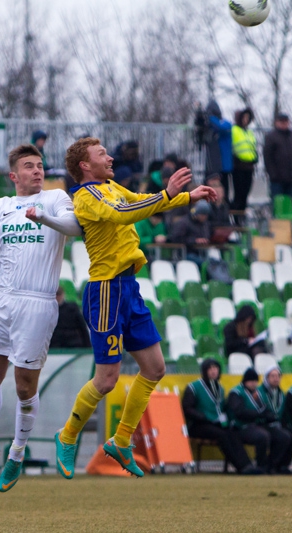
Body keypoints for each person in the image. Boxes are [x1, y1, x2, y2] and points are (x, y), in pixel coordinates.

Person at [54, 137, 216, 479]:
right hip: (106, 291)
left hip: (128, 287)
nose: (110, 157)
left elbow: (141, 202)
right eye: (102, 154)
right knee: (107, 379)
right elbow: (124, 213)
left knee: (155, 368)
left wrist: (186, 197)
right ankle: (67, 436)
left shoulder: (109, 185)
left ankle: (121, 440)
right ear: (85, 165)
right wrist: (169, 194)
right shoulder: (86, 196)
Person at [0, 144, 82, 492]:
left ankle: (17, 454)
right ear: (14, 175)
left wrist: (44, 218)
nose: (38, 171)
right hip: (2, 300)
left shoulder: (54, 199)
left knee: (25, 384)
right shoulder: (2, 206)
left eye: (40, 165)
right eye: (29, 166)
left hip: (37, 303)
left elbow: (75, 227)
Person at [181, 359, 258, 475]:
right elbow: (187, 408)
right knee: (222, 435)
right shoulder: (193, 387)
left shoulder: (220, 388)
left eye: (215, 368)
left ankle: (247, 465)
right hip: (198, 425)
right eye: (210, 368)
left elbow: (222, 408)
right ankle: (240, 467)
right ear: (204, 371)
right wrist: (203, 417)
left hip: (215, 424)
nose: (213, 371)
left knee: (232, 433)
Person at [227, 367, 289, 474]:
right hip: (240, 427)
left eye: (255, 381)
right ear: (245, 381)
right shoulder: (236, 393)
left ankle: (272, 465)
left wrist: (270, 416)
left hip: (256, 425)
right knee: (262, 436)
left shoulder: (257, 393)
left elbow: (264, 409)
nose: (253, 384)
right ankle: (261, 465)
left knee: (284, 436)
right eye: (251, 381)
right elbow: (239, 412)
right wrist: (259, 414)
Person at [256, 365, 292, 474]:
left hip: (276, 424)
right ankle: (269, 465)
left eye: (278, 376)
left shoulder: (281, 394)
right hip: (262, 424)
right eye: (272, 376)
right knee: (283, 436)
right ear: (267, 378)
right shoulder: (258, 392)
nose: (275, 378)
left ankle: (282, 465)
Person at [263, 114, 292, 199]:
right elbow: (267, 157)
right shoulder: (271, 137)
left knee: (291, 203)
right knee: (278, 203)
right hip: (277, 178)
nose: (284, 124)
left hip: (291, 177)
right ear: (276, 123)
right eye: (281, 122)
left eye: (286, 122)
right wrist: (272, 174)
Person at [230, 108, 258, 212]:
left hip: (249, 166)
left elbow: (252, 147)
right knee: (239, 193)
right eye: (244, 117)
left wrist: (255, 158)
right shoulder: (235, 129)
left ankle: (242, 215)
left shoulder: (249, 132)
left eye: (248, 118)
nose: (246, 120)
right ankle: (236, 216)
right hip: (238, 166)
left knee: (246, 193)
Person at [168, 200, 211, 265]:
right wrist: (194, 240)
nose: (204, 217)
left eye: (206, 215)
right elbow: (175, 238)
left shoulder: (204, 224)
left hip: (201, 252)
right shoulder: (184, 222)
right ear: (197, 213)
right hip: (185, 253)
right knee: (204, 263)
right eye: (202, 215)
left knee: (215, 262)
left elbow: (207, 235)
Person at [203, 101, 233, 190]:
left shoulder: (224, 123)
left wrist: (210, 118)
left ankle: (224, 202)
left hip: (223, 165)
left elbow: (223, 127)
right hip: (213, 164)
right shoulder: (210, 127)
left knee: (223, 188)